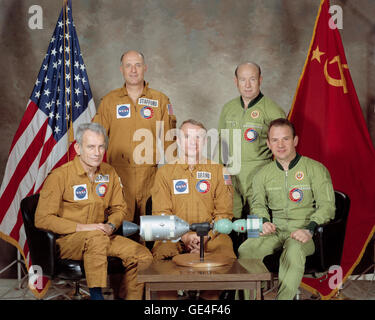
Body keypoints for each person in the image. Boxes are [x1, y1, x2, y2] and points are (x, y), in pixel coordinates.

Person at [35, 122, 153, 300]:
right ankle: (97, 297)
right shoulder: (60, 176)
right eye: (90, 147)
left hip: (102, 234)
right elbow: (42, 219)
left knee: (143, 255)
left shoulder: (109, 173)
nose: (97, 153)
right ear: (78, 148)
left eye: (101, 147)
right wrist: (83, 228)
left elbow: (119, 208)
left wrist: (111, 225)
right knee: (95, 238)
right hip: (68, 240)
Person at [237, 118, 335, 300]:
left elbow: (327, 206)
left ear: (295, 141)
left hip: (304, 231)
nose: (280, 145)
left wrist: (309, 229)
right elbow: (257, 204)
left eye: (285, 139)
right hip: (275, 230)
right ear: (268, 143)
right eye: (275, 140)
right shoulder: (261, 174)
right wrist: (264, 222)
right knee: (246, 250)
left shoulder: (315, 169)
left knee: (293, 250)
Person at [151, 119, 236, 299]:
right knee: (160, 257)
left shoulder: (219, 171)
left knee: (225, 251)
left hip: (211, 235)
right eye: (187, 136)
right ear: (179, 141)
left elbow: (224, 213)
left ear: (205, 142)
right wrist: (184, 236)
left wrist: (205, 236)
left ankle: (208, 299)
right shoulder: (165, 173)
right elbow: (160, 214)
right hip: (173, 236)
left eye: (198, 137)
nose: (192, 142)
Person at [93, 50, 176, 229]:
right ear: (121, 69)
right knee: (122, 227)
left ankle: (154, 257)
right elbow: (95, 136)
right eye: (128, 65)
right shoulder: (109, 101)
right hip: (119, 176)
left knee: (153, 229)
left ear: (145, 68)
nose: (133, 70)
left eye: (137, 65)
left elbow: (170, 141)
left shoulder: (160, 100)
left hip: (150, 175)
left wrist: (173, 174)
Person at [218, 62, 286, 218]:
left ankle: (255, 242)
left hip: (259, 175)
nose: (247, 85)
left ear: (260, 80)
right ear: (236, 81)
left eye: (252, 79)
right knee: (230, 221)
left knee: (257, 222)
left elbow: (284, 149)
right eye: (242, 80)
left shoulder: (273, 110)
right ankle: (233, 243)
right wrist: (220, 171)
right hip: (231, 175)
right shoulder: (228, 108)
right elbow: (221, 142)